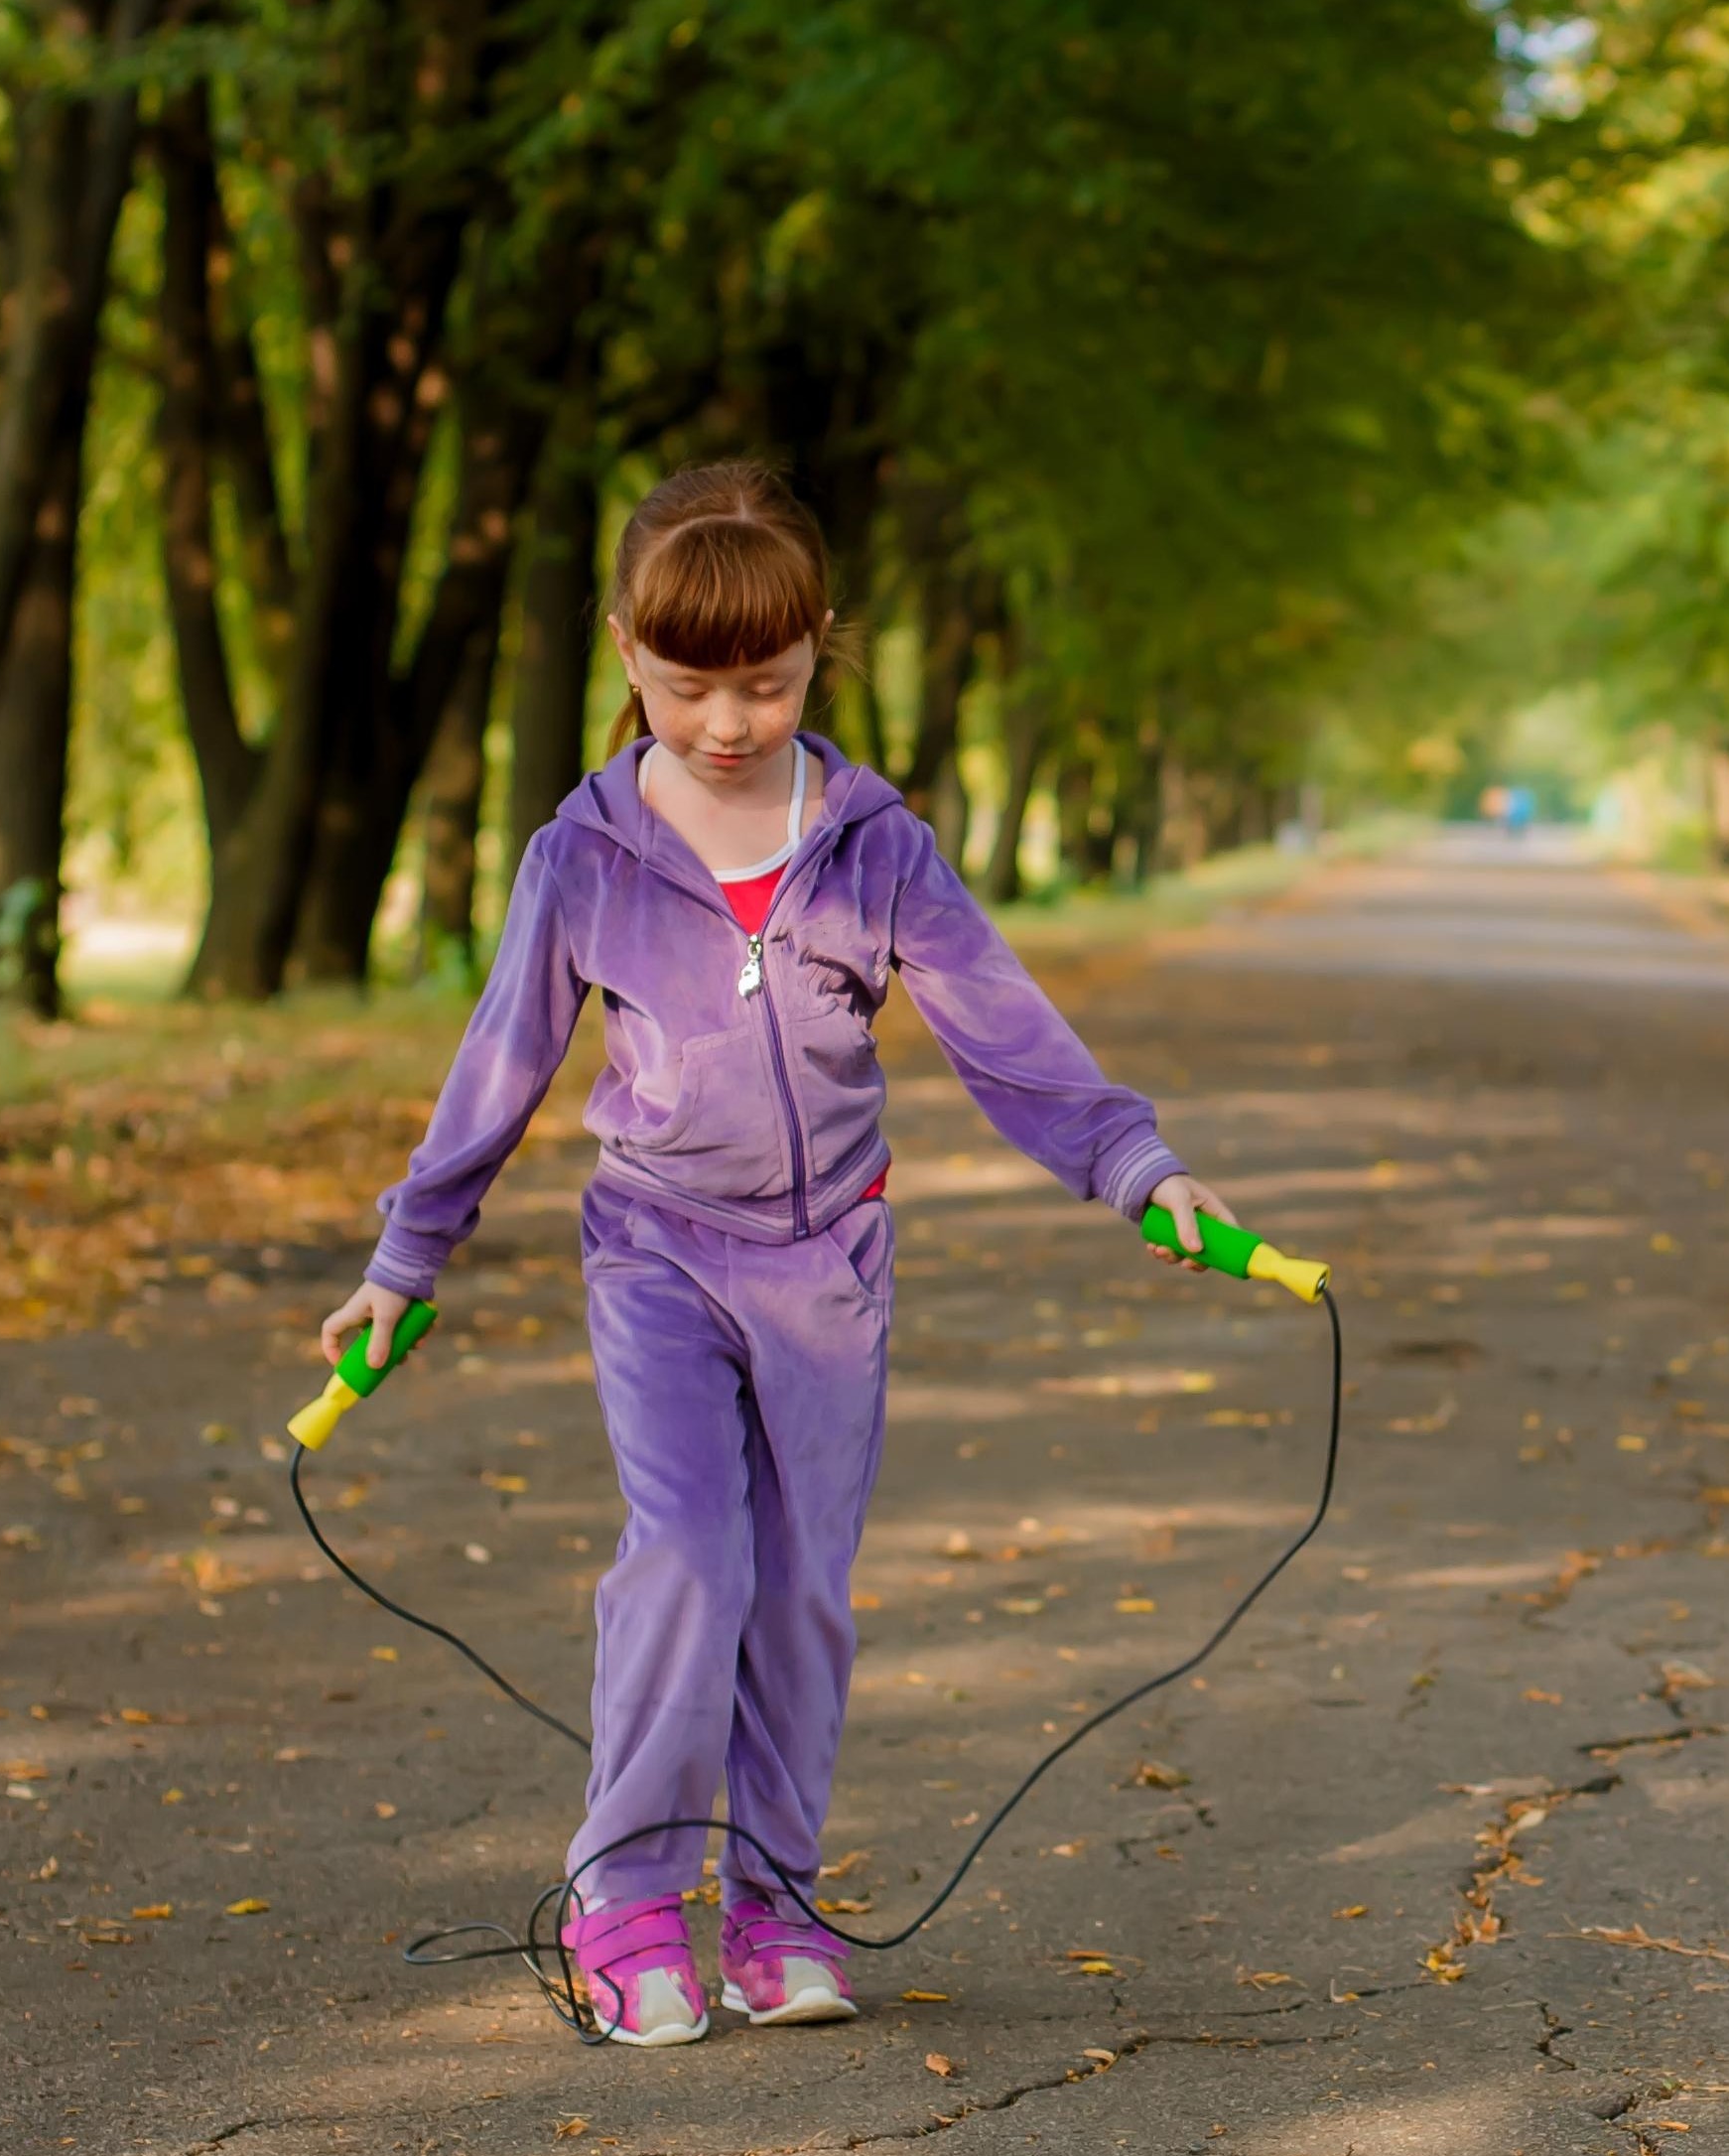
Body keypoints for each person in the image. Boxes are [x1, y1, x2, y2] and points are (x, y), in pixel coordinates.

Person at [318, 461, 1226, 2047]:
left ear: (819, 649)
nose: (729, 721)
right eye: (689, 686)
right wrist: (407, 1258)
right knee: (688, 1559)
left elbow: (1003, 1032)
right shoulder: (584, 857)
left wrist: (1133, 1162)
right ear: (623, 654)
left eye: (770, 681)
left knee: (801, 1590)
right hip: (657, 1254)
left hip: (830, 1270)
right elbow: (498, 1068)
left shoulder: (875, 844)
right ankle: (623, 1904)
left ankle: (777, 1903)